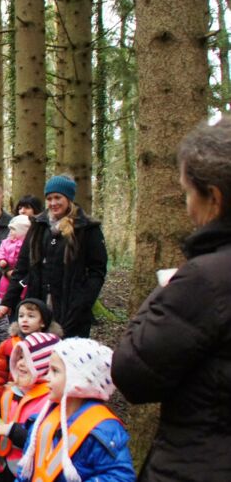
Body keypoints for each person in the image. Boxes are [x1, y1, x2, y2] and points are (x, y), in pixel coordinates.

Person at [112, 122, 231, 481]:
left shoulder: (207, 280)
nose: (187, 205)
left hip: (201, 461)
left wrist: (166, 291)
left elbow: (133, 373)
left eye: (188, 193)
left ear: (214, 197)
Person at [11, 338, 134, 482]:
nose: (47, 377)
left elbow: (120, 477)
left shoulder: (104, 429)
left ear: (80, 379)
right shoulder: (41, 419)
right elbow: (25, 469)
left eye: (55, 371)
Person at [1, 175, 108, 338]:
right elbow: (22, 267)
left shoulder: (86, 228)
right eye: (49, 198)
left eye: (58, 197)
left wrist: (83, 303)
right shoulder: (39, 225)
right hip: (37, 303)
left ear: (69, 198)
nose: (53, 203)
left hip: (71, 306)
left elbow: (97, 271)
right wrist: (8, 301)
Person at [0, 332, 60, 482]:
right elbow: (3, 422)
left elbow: (47, 442)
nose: (20, 363)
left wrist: (10, 431)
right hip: (8, 467)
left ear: (44, 364)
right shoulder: (10, 393)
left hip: (34, 474)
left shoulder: (52, 400)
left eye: (27, 359)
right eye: (19, 357)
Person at [0, 298, 62, 407]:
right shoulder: (8, 345)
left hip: (42, 397)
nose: (24, 320)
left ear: (43, 322)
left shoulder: (52, 345)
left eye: (31, 316)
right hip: (12, 395)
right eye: (21, 316)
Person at [0, 215, 32, 298]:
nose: (11, 232)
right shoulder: (6, 242)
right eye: (10, 229)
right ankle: (3, 300)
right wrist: (1, 259)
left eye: (14, 229)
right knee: (4, 287)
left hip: (22, 274)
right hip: (8, 271)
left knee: (23, 289)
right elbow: (1, 250)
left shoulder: (27, 244)